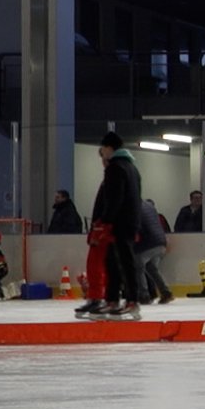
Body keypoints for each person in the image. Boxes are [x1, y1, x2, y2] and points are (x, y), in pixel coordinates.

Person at [82, 133, 143, 320]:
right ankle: (113, 299)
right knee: (114, 263)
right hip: (128, 222)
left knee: (122, 263)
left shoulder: (115, 168)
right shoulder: (132, 167)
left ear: (108, 148)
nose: (102, 155)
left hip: (119, 223)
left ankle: (131, 301)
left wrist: (105, 221)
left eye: (103, 150)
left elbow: (115, 198)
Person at [134, 198, 173, 305]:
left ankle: (144, 295)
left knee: (138, 267)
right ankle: (166, 293)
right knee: (152, 268)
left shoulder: (134, 208)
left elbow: (135, 227)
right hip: (160, 242)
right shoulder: (149, 206)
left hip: (147, 244)